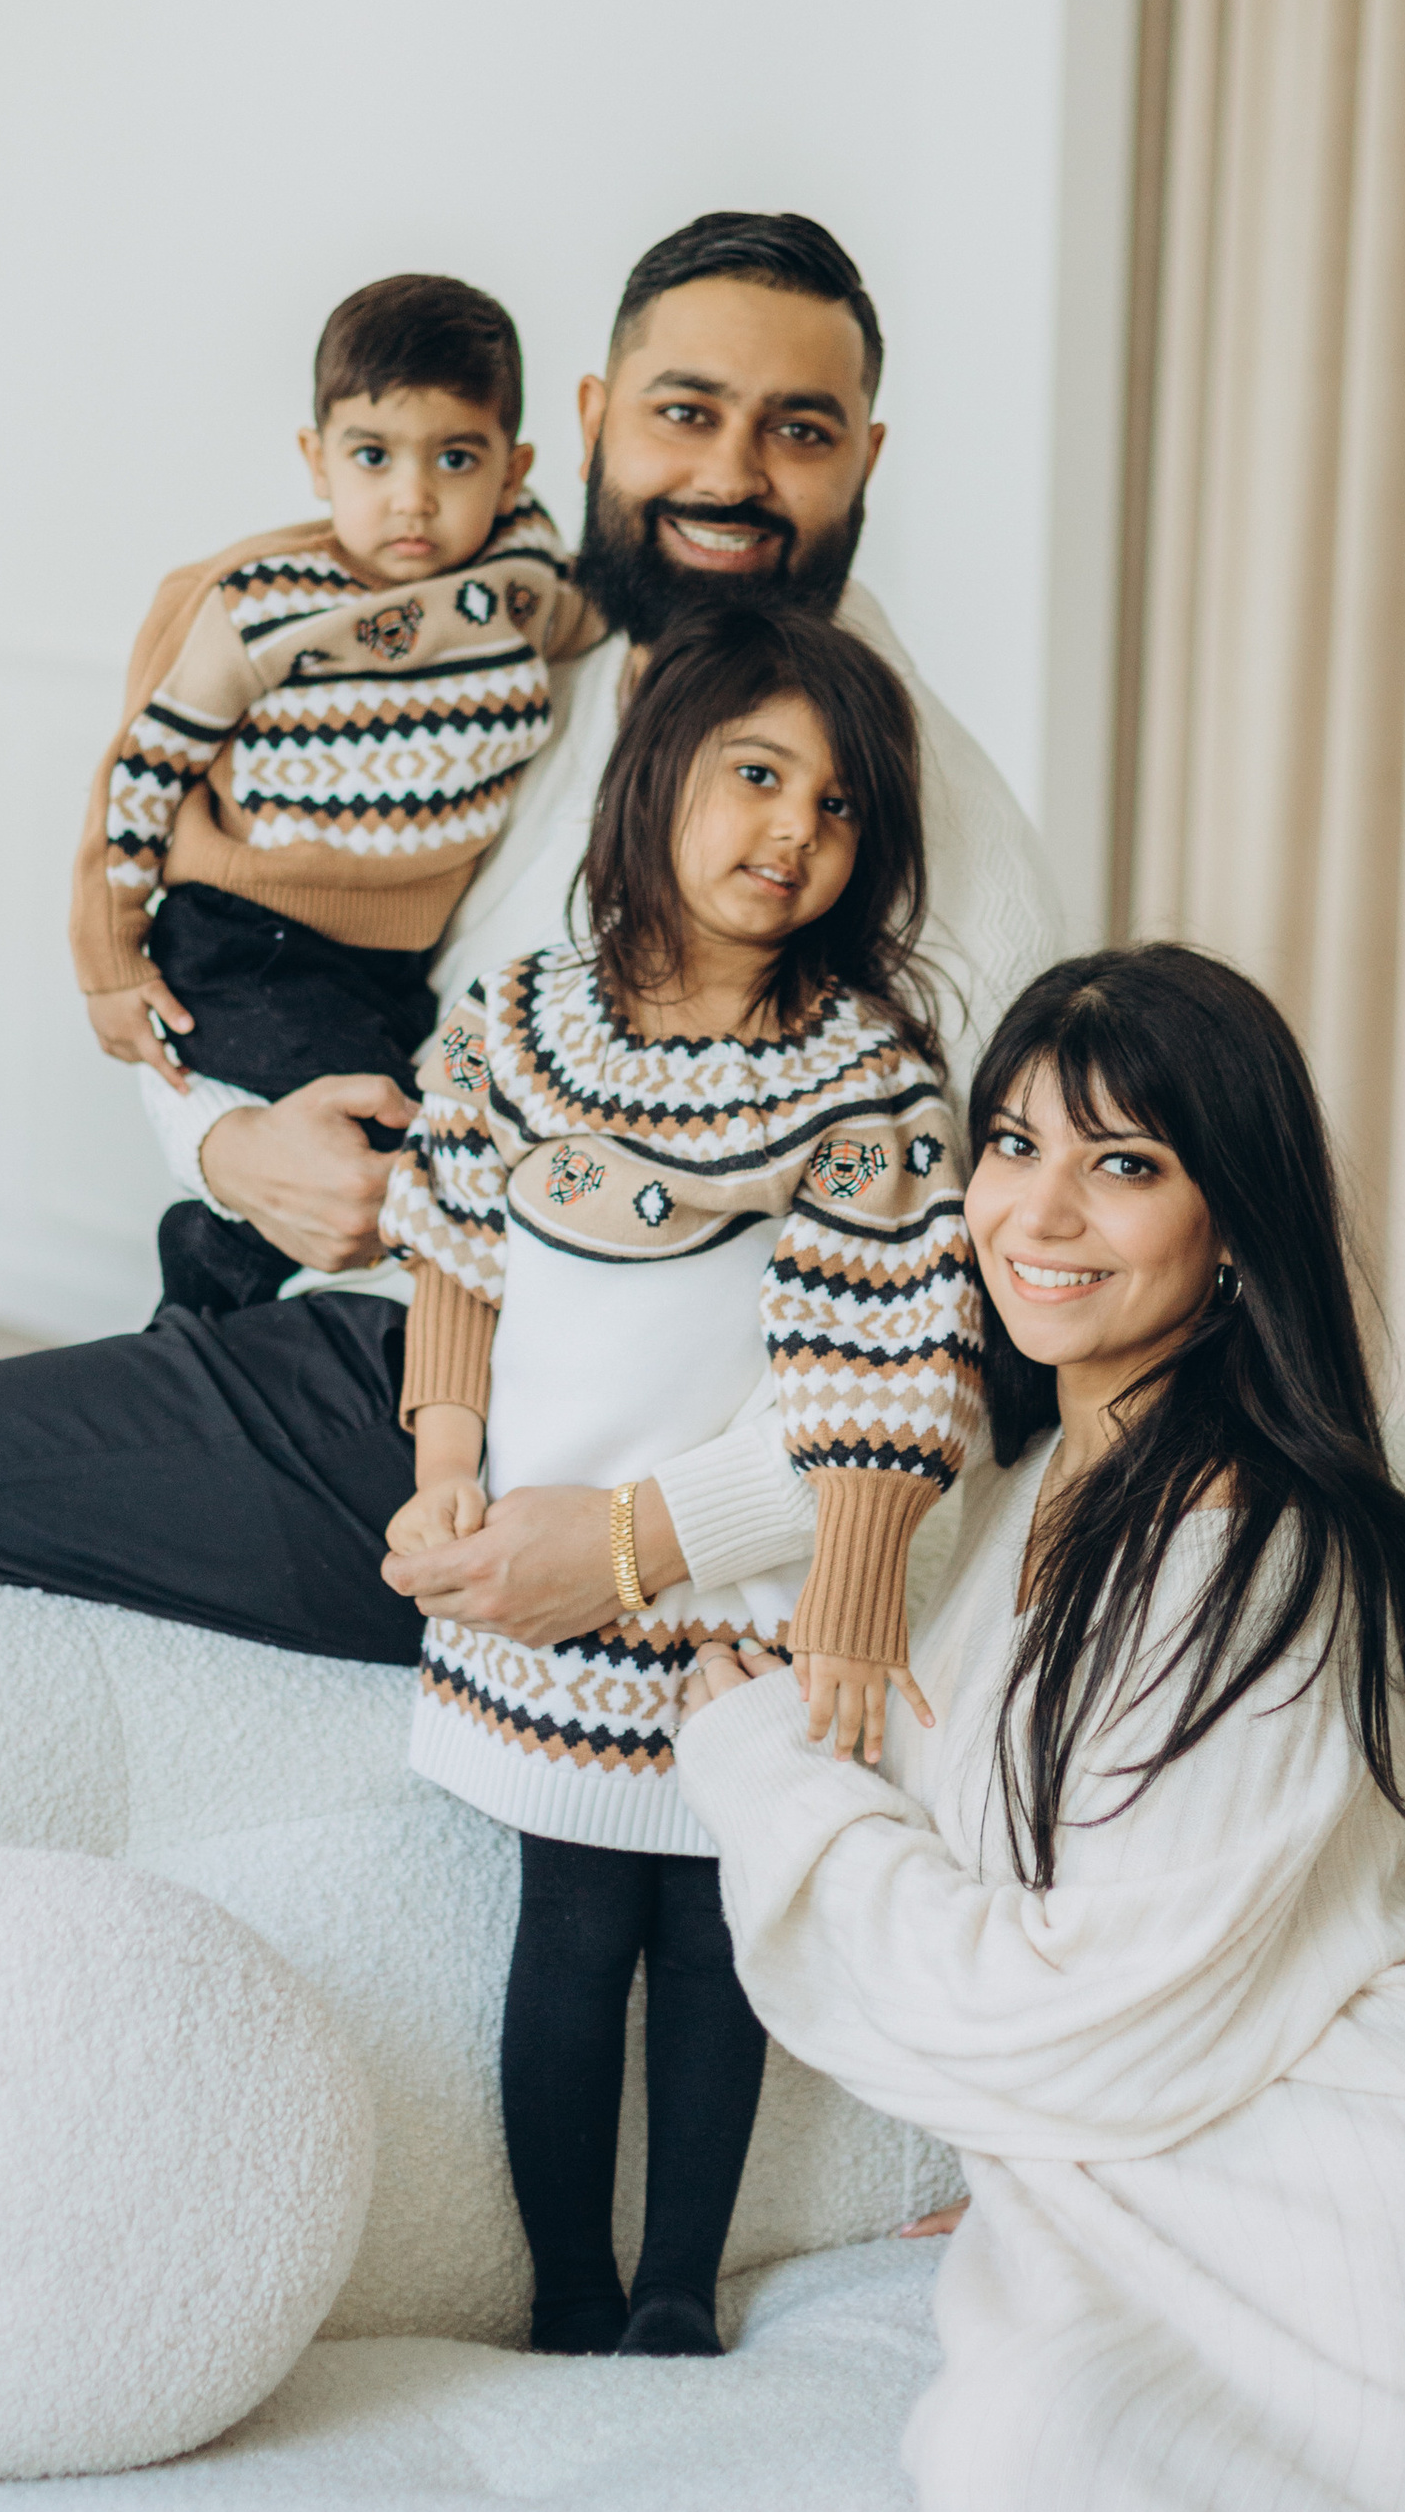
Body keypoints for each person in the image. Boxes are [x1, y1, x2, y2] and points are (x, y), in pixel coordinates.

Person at [0, 210, 1060, 1679]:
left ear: (866, 457)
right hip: (380, 1320)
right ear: (594, 426)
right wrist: (224, 1147)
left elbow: (977, 1345)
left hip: (531, 1433)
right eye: (686, 414)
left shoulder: (931, 852)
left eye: (797, 429)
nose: (730, 476)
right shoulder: (531, 684)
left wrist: (624, 1543)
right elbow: (251, 933)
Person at [676, 947, 1405, 2512]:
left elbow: (1085, 1995)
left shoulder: (1263, 1544)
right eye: (1010, 1143)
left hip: (1398, 2195)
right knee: (1041, 2454)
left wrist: (760, 1780)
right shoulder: (1040, 1479)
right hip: (1166, 2153)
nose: (1036, 1212)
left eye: (1122, 1165)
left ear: (1233, 1226)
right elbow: (1092, 1932)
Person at [382, 593, 981, 2357]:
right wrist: (441, 1463)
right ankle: (569, 2293)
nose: (793, 831)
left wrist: (854, 1599)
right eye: (756, 775)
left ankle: (673, 2297)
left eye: (840, 806)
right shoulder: (518, 1026)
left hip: (739, 1618)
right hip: (538, 1603)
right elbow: (453, 1265)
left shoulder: (861, 1080)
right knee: (569, 1938)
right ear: (653, 779)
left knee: (717, 1948)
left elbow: (882, 1368)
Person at [69, 271, 596, 1319]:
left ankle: (240, 1329)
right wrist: (107, 961)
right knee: (372, 1140)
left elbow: (607, 624)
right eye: (372, 457)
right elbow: (141, 773)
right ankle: (196, 1325)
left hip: (389, 967)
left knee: (416, 1139)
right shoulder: (259, 605)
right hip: (245, 941)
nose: (412, 497)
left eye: (456, 458)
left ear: (514, 466)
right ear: (316, 461)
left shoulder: (526, 583)